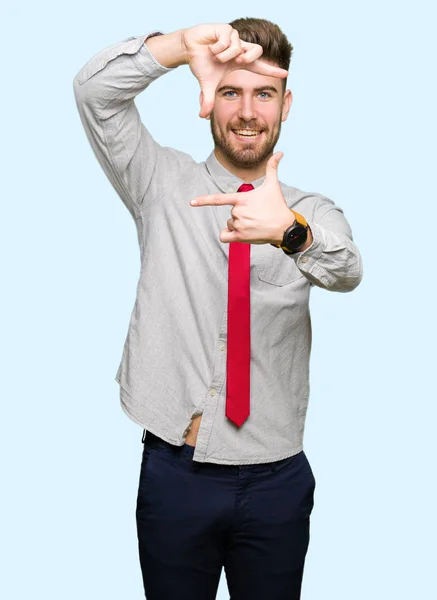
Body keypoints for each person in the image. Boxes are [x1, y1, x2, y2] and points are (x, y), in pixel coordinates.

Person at [73, 18, 363, 600]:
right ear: (207, 99)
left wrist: (290, 233)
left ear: (286, 105)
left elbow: (347, 270)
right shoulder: (158, 180)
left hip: (277, 479)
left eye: (264, 93)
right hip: (175, 473)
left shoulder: (311, 210)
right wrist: (179, 49)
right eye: (230, 91)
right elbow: (94, 93)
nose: (248, 112)